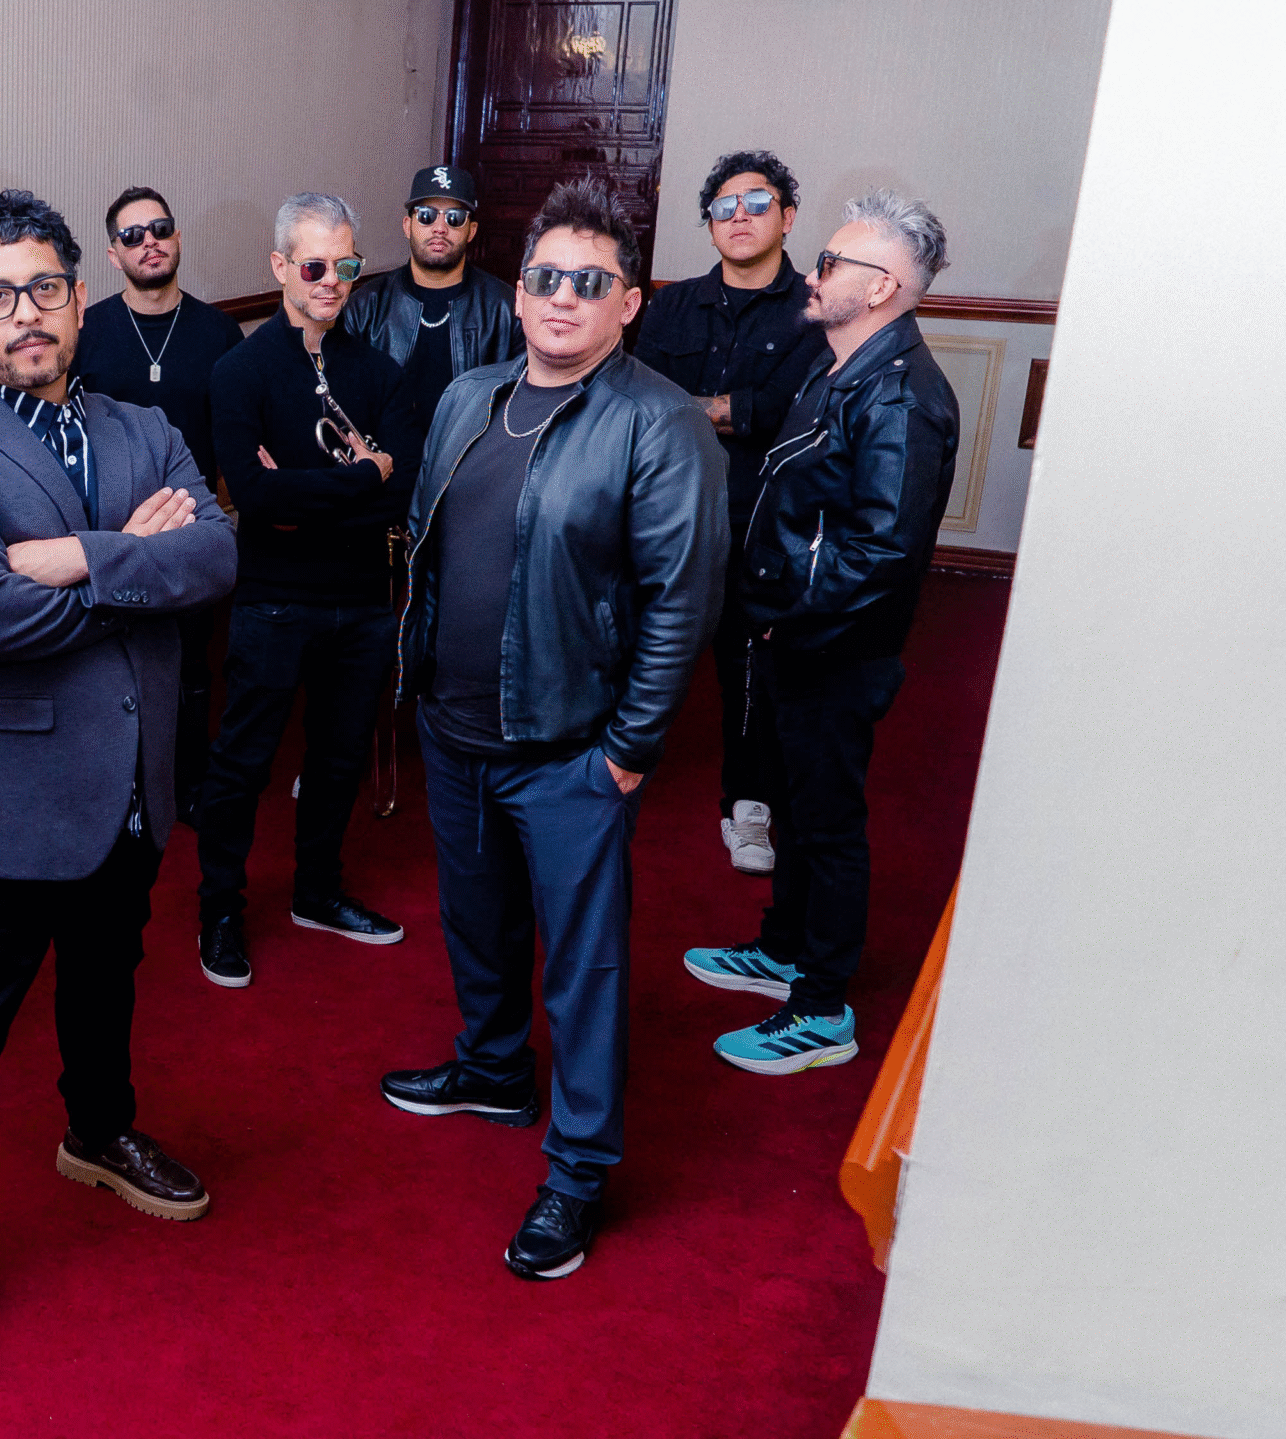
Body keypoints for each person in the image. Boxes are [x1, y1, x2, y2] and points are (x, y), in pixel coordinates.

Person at [0, 190, 237, 1387]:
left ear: (79, 297)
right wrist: (140, 565)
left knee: (104, 978)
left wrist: (77, 555)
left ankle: (98, 1130)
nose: (24, 312)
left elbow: (215, 556)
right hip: (1, 793)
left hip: (130, 779)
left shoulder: (146, 426)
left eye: (43, 287)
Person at [380, 177, 724, 1279]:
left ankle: (577, 1170)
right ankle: (491, 1071)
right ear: (518, 294)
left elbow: (680, 602)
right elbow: (427, 547)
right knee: (476, 923)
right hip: (454, 731)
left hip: (571, 750)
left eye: (590, 281)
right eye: (545, 277)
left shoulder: (660, 423)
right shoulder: (468, 397)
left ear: (629, 303)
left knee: (584, 970)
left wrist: (626, 751)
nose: (563, 297)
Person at [682, 190, 958, 1076]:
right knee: (795, 807)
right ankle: (784, 949)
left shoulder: (903, 397)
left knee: (828, 825)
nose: (814, 272)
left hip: (834, 650)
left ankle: (822, 1007)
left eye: (833, 263)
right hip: (793, 639)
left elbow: (880, 552)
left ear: (880, 288)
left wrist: (782, 616)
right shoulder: (838, 364)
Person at [195, 193, 419, 989]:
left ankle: (317, 890)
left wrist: (307, 492)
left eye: (346, 265)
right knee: (243, 760)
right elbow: (255, 500)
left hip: (362, 598)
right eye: (315, 265)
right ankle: (220, 908)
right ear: (281, 266)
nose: (332, 280)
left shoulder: (380, 371)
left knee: (339, 754)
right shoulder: (239, 371)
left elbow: (401, 493)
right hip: (273, 597)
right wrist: (362, 474)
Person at [634, 151, 832, 877]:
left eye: (757, 202)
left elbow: (793, 414)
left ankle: (749, 805)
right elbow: (638, 400)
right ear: (709, 223)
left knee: (750, 670)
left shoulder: (818, 307)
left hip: (761, 522)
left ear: (788, 216)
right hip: (663, 515)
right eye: (724, 206)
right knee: (629, 644)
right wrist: (733, 411)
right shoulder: (672, 305)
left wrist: (700, 410)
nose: (739, 216)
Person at [71, 186, 243, 824]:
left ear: (177, 238)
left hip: (190, 529)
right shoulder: (89, 331)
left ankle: (187, 783)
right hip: (109, 528)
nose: (150, 243)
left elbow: (231, 439)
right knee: (110, 663)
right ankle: (115, 787)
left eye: (161, 229)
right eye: (132, 235)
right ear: (113, 255)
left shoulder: (218, 331)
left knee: (191, 663)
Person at [341, 163, 522, 438]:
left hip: (470, 458)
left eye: (454, 218)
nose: (440, 228)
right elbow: (345, 401)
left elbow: (520, 406)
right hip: (385, 459)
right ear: (408, 226)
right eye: (426, 216)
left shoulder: (506, 308)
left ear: (471, 230)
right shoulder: (365, 306)